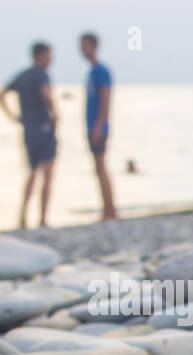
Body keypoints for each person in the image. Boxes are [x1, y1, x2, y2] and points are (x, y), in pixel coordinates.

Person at [0, 41, 57, 229]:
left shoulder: (22, 76)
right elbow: (46, 94)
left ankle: (23, 217)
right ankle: (43, 219)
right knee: (47, 173)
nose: (50, 59)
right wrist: (55, 114)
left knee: (31, 173)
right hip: (44, 128)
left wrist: (14, 117)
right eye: (48, 55)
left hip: (29, 130)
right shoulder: (41, 75)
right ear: (38, 56)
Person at [80, 32, 116, 221]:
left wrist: (98, 126)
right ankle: (107, 210)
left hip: (98, 128)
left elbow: (105, 99)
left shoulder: (101, 71)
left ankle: (110, 211)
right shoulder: (92, 71)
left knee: (101, 168)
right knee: (98, 169)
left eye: (85, 45)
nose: (82, 50)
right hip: (93, 126)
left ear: (94, 46)